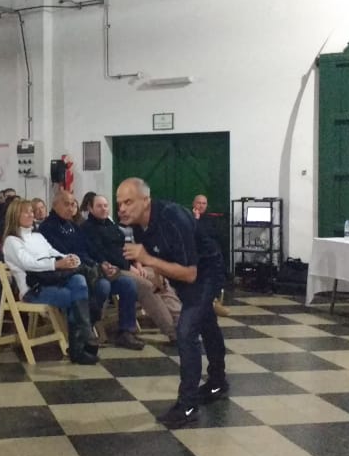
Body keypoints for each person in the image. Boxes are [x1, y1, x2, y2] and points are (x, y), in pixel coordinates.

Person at [117, 178, 228, 428]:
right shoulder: (139, 225)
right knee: (206, 322)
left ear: (146, 201)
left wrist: (147, 260)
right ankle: (218, 381)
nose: (122, 208)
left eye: (128, 202)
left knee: (186, 331)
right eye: (119, 203)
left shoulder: (173, 218)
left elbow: (190, 274)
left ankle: (188, 405)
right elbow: (158, 255)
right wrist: (157, 278)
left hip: (206, 270)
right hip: (186, 272)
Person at [39, 191, 144, 350]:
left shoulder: (73, 227)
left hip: (89, 270)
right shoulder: (47, 228)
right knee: (103, 286)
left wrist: (102, 263)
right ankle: (84, 328)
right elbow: (62, 254)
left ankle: (125, 331)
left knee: (127, 284)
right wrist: (92, 265)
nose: (71, 208)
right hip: (68, 274)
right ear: (55, 205)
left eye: (73, 204)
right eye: (66, 204)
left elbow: (90, 250)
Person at [2, 198, 98, 365]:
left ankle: (82, 339)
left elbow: (53, 252)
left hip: (51, 281)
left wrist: (70, 258)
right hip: (33, 289)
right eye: (26, 212)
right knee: (75, 297)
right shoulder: (11, 241)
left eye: (31, 211)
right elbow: (28, 263)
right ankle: (81, 342)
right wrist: (56, 264)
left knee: (79, 279)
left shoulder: (37, 236)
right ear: (15, 216)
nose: (31, 215)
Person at [83, 195, 176, 342]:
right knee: (146, 286)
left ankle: (181, 322)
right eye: (99, 206)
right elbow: (104, 255)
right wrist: (130, 268)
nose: (104, 209)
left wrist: (137, 263)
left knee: (160, 276)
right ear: (90, 208)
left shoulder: (110, 225)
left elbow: (126, 247)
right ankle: (173, 332)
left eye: (106, 206)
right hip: (111, 270)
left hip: (129, 266)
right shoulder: (88, 229)